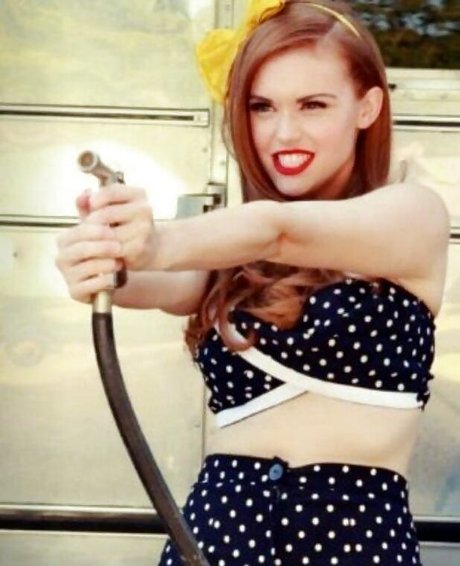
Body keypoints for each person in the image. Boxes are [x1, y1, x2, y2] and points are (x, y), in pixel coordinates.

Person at [56, 0, 450, 564]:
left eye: (313, 105)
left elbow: (277, 231)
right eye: (262, 107)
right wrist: (100, 258)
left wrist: (159, 240)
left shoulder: (414, 213)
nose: (284, 132)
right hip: (218, 536)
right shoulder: (229, 248)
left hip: (351, 540)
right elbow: (149, 281)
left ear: (367, 107)